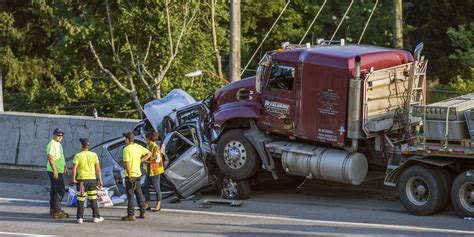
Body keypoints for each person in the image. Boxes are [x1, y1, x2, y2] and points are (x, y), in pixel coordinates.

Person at [71, 138, 104, 224]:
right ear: (88, 146)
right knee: (93, 199)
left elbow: (74, 169)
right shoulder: (94, 155)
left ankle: (80, 218)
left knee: (81, 199)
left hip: (82, 181)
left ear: (82, 145)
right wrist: (100, 180)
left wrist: (73, 178)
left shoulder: (78, 155)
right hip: (92, 180)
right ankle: (96, 217)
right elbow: (98, 169)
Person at [121, 132, 151, 221]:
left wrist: (129, 174)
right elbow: (149, 153)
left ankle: (131, 214)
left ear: (127, 139)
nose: (124, 140)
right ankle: (142, 212)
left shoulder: (126, 149)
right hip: (138, 174)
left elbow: (126, 163)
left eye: (125, 138)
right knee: (139, 193)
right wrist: (141, 160)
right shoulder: (138, 147)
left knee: (130, 195)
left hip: (131, 175)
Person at [46, 128, 69, 219]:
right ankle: (57, 211)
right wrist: (55, 170)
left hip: (58, 170)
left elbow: (60, 157)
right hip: (54, 171)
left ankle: (53, 208)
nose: (60, 137)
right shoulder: (52, 144)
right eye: (58, 135)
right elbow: (50, 158)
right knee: (60, 190)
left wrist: (65, 167)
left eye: (62, 135)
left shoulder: (58, 144)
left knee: (54, 190)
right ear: (54, 135)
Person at [142, 131, 164, 212]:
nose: (145, 140)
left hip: (155, 171)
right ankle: (147, 204)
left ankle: (158, 205)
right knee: (145, 187)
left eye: (146, 138)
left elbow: (158, 160)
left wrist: (147, 162)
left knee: (157, 188)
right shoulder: (149, 146)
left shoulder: (155, 147)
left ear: (149, 139)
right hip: (149, 170)